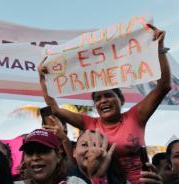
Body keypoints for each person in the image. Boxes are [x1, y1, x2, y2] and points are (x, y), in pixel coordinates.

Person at [38, 24, 171, 184]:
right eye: (98, 98)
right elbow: (54, 109)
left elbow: (164, 86)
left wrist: (159, 48)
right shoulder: (89, 124)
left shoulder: (136, 116)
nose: (103, 101)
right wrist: (42, 78)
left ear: (121, 100)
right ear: (95, 106)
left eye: (108, 95)